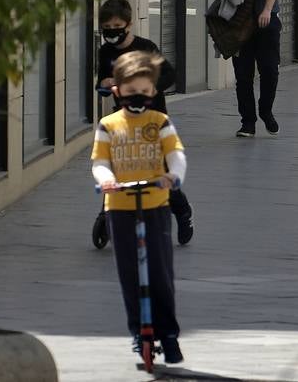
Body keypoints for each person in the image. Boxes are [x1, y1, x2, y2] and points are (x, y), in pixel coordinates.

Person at [91, 50, 187, 365]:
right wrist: (106, 179)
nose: (138, 99)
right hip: (118, 205)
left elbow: (176, 155)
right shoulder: (108, 124)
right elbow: (100, 162)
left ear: (153, 93)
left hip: (155, 203)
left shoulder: (159, 122)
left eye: (145, 94)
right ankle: (138, 331)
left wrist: (173, 176)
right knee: (129, 273)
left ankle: (169, 334)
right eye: (131, 93)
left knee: (160, 270)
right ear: (117, 92)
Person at [95, 0, 194, 246]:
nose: (111, 31)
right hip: (123, 122)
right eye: (106, 26)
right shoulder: (105, 51)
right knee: (118, 168)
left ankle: (181, 211)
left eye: (116, 25)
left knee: (158, 171)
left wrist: (146, 87)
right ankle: (107, 216)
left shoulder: (145, 48)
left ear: (128, 25)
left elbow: (169, 74)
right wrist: (104, 84)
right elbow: (102, 82)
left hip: (153, 120)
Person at [214, 0, 284, 138]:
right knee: (243, 76)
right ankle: (248, 122)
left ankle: (266, 110)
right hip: (240, 23)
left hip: (266, 22)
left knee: (269, 70)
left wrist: (266, 10)